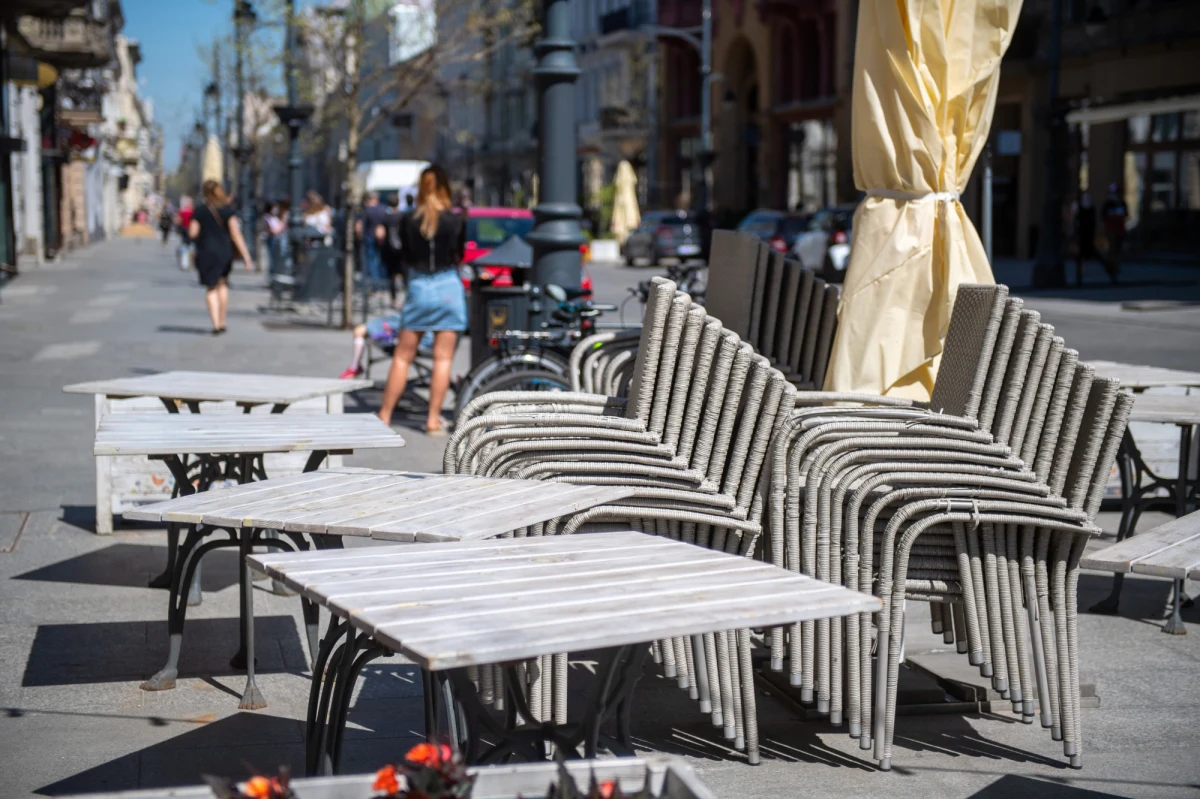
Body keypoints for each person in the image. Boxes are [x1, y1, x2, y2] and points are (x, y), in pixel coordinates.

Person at [375, 164, 466, 434]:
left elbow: (400, 256)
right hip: (448, 285)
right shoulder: (456, 219)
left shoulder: (407, 219)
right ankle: (432, 418)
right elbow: (458, 255)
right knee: (443, 359)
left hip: (418, 286)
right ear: (444, 188)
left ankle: (385, 414)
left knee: (403, 356)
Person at [189, 179, 255, 335]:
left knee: (211, 287)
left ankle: (215, 324)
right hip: (224, 251)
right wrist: (246, 256)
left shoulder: (199, 211)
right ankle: (222, 320)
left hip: (205, 251)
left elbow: (193, 233)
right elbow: (236, 233)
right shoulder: (227, 211)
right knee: (222, 284)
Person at [356, 191, 389, 291]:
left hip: (369, 236)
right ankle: (384, 283)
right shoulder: (383, 208)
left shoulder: (366, 210)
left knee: (371, 260)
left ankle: (376, 284)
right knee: (381, 259)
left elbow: (360, 226)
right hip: (382, 237)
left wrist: (359, 236)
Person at [1102, 183, 1127, 283]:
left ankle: (1116, 266)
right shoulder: (1107, 204)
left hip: (1120, 230)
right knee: (1112, 249)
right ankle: (1111, 266)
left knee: (1118, 249)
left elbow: (1125, 214)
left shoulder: (1122, 203)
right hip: (1111, 230)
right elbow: (1103, 216)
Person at [176, 196, 194, 270]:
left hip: (184, 229)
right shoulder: (193, 211)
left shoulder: (182, 211)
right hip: (191, 229)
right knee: (191, 245)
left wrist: (178, 227)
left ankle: (184, 263)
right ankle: (190, 261)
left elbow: (178, 220)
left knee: (184, 245)